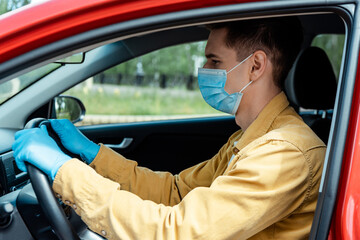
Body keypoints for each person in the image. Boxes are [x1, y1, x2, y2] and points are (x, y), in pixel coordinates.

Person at [13, 17, 326, 239]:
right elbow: (176, 191)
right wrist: (94, 155)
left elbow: (175, 232)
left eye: (214, 61)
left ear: (256, 66)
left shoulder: (284, 153)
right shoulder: (252, 138)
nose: (204, 71)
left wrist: (65, 171)